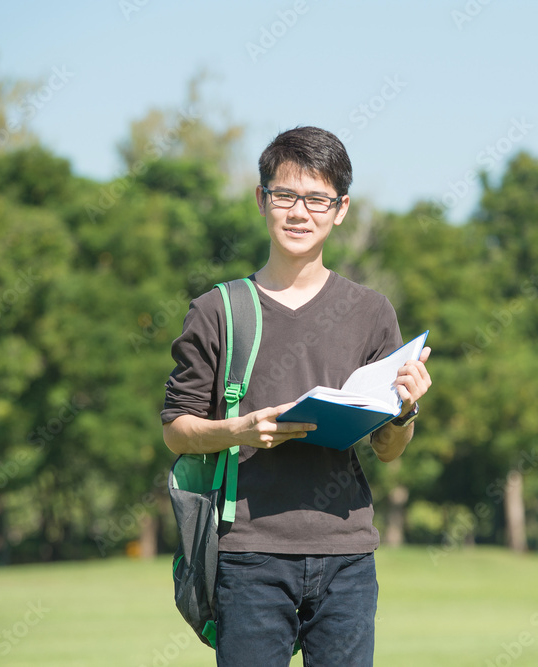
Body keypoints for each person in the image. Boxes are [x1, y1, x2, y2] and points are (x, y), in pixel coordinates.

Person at [161, 126, 431, 666]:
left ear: (341, 208)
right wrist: (237, 430)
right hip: (248, 556)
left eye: (317, 199)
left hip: (347, 555)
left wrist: (405, 411)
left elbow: (388, 449)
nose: (299, 212)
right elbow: (176, 431)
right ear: (262, 200)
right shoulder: (217, 310)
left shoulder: (371, 311)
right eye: (285, 195)